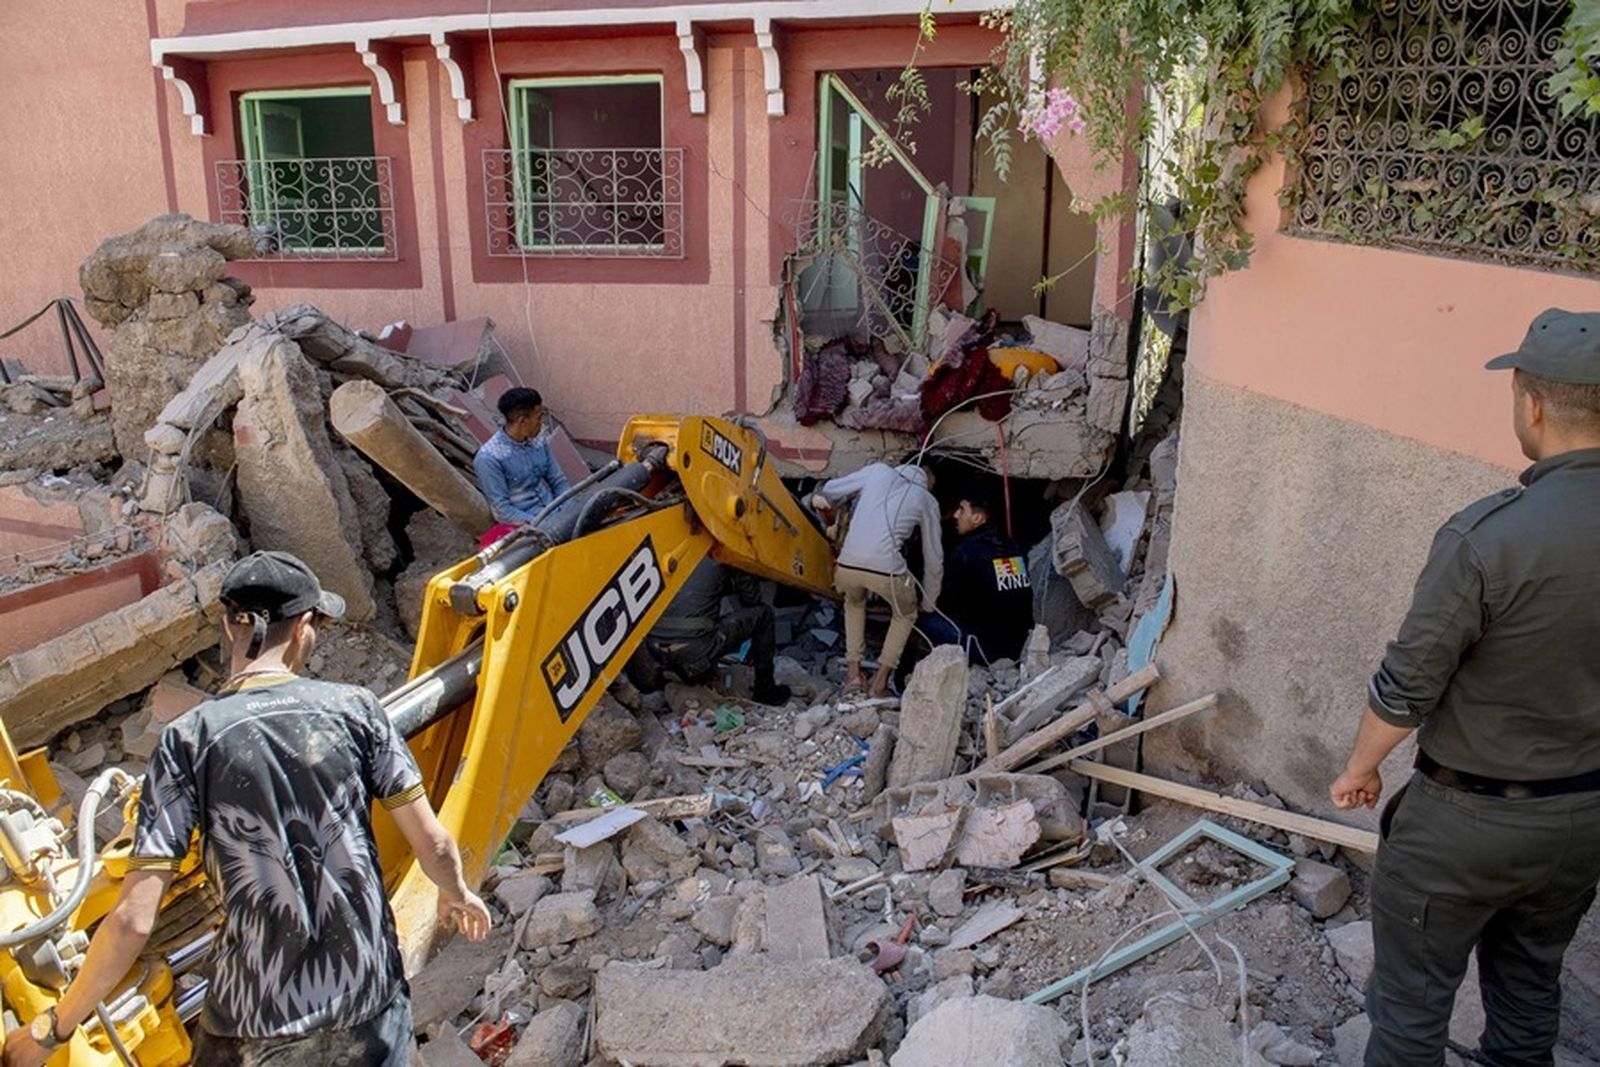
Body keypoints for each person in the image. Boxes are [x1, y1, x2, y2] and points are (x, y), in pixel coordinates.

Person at [5, 551, 492, 1067]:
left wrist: (52, 1032)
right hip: (367, 1008)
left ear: (228, 626)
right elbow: (433, 843)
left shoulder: (187, 740)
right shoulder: (357, 711)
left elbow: (133, 921)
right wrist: (456, 892)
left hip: (253, 1028)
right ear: (303, 627)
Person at [1329, 308, 1600, 1067]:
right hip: (1582, 821)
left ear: (1533, 405)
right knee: (1529, 994)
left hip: (1465, 824)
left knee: (1410, 1014)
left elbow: (1405, 687)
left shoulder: (1488, 536)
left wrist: (1359, 769)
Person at [814, 462, 942, 697]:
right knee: (905, 614)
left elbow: (831, 489)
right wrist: (929, 603)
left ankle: (853, 676)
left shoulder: (878, 471)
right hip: (886, 569)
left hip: (847, 563)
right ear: (927, 482)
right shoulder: (926, 499)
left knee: (854, 604)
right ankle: (879, 684)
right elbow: (933, 556)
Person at [627, 559, 793, 707]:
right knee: (764, 614)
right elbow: (751, 599)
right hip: (694, 651)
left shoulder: (669, 550)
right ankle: (765, 691)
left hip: (654, 649)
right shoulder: (724, 550)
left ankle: (664, 679)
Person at [919, 488, 1033, 664]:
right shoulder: (1016, 547)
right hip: (1020, 647)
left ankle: (907, 673)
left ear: (978, 518)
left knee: (922, 618)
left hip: (983, 649)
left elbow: (947, 604)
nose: (956, 515)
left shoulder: (967, 552)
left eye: (962, 509)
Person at [474, 387, 572, 529]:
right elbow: (503, 511)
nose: (542, 423)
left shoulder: (539, 440)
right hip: (529, 527)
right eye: (539, 418)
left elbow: (558, 480)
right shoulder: (489, 458)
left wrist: (567, 511)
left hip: (555, 511)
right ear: (523, 421)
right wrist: (546, 526)